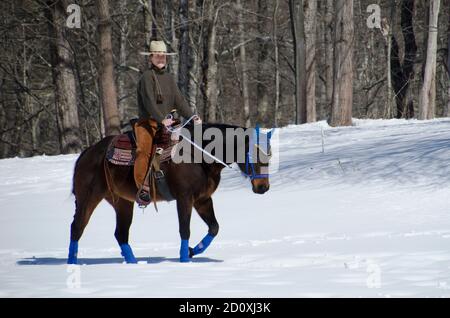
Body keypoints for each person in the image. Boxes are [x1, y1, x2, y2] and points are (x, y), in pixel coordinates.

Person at [134, 40, 201, 204]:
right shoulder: (146, 78)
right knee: (144, 151)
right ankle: (143, 188)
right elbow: (149, 102)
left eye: (163, 55)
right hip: (148, 123)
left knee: (187, 147)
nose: (161, 58)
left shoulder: (170, 78)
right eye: (157, 55)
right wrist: (161, 119)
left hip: (169, 123)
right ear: (150, 57)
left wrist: (192, 116)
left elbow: (179, 101)